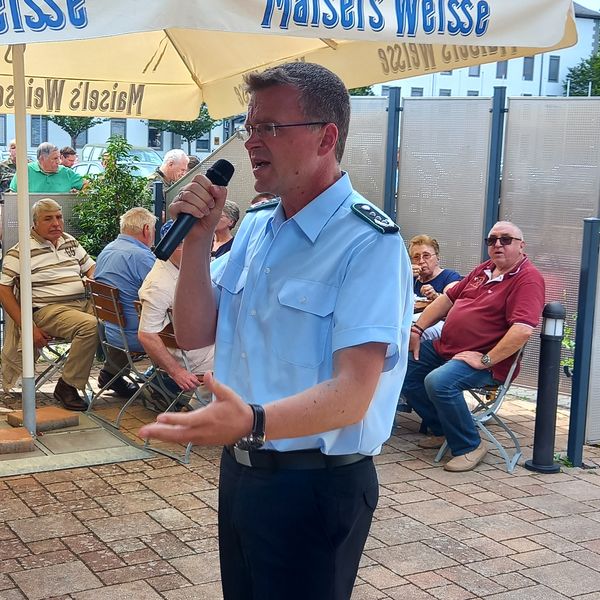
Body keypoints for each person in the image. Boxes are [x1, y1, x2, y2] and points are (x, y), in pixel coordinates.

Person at [140, 62, 413, 600]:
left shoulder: (369, 243)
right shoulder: (259, 228)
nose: (250, 142)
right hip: (244, 472)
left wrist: (253, 420)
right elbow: (196, 333)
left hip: (316, 484)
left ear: (325, 137)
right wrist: (196, 242)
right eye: (249, 127)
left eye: (269, 127)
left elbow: (352, 396)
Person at [402, 221, 545, 472]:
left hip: (486, 359)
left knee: (439, 382)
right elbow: (447, 299)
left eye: (506, 239)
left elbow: (522, 330)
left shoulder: (528, 279)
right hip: (447, 348)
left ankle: (470, 445)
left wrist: (486, 359)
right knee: (402, 368)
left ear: (522, 246)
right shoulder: (485, 269)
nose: (498, 244)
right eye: (492, 240)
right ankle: (444, 429)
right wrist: (417, 329)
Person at [0, 198, 97, 411]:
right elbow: (3, 289)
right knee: (90, 326)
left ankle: (113, 374)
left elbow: (91, 268)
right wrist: (28, 326)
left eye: (59, 217)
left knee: (118, 318)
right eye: (48, 219)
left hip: (81, 303)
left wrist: (91, 277)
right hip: (49, 310)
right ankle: (67, 386)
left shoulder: (69, 241)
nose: (56, 223)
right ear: (34, 223)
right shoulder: (21, 250)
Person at [138, 220, 214, 408]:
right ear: (173, 246)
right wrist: (177, 372)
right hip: (194, 358)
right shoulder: (159, 284)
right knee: (247, 357)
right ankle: (196, 412)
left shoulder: (181, 268)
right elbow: (146, 334)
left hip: (196, 346)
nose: (205, 250)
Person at [93, 207, 157, 397]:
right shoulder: (142, 256)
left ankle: (111, 374)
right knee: (188, 329)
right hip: (135, 335)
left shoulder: (108, 250)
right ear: (146, 229)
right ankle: (167, 387)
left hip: (112, 331)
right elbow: (165, 292)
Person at [409, 234, 461, 340]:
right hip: (411, 320)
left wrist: (435, 296)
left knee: (410, 334)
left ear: (437, 257)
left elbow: (453, 306)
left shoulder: (450, 277)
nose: (421, 261)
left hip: (438, 323)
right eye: (416, 257)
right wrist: (404, 276)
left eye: (426, 256)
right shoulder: (410, 278)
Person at [9, 142, 84, 193]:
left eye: (59, 158)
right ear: (42, 159)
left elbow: (87, 185)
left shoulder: (66, 172)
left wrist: (78, 197)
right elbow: (12, 195)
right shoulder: (25, 171)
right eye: (55, 158)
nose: (59, 161)